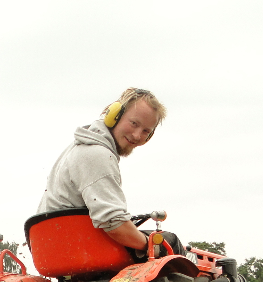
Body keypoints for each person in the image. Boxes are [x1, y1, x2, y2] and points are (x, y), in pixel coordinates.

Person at [38, 87, 177, 257]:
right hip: (80, 249)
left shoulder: (79, 148)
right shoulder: (97, 154)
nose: (136, 135)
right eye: (134, 123)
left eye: (146, 131)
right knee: (169, 242)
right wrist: (151, 246)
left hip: (58, 246)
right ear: (114, 115)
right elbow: (113, 222)